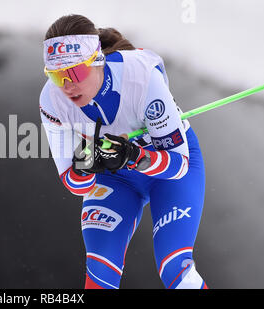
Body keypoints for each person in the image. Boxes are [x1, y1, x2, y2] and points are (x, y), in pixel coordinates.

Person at [39, 14, 208, 289]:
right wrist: (85, 165)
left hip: (167, 171)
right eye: (57, 76)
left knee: (176, 271)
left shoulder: (141, 77)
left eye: (74, 73)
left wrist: (135, 156)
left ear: (97, 61)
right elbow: (72, 182)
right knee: (99, 274)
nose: (67, 86)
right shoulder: (51, 100)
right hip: (116, 179)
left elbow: (180, 165)